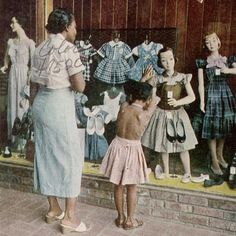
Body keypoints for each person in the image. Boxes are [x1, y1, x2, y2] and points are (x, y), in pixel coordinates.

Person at [30, 8, 90, 234]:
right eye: (74, 26)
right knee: (71, 158)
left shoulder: (39, 48)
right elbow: (79, 86)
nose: (75, 30)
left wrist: (33, 110)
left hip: (40, 105)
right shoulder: (69, 49)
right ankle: (70, 218)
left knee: (45, 154)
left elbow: (33, 85)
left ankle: (54, 209)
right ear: (66, 27)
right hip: (59, 105)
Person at [100, 79, 158, 230]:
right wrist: (152, 86)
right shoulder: (144, 114)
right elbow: (154, 99)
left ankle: (120, 217)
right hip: (132, 149)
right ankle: (130, 220)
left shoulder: (124, 107)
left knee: (118, 185)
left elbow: (132, 96)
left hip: (117, 146)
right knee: (132, 187)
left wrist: (143, 81)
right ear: (147, 100)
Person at [141, 47, 198, 183]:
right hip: (161, 114)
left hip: (178, 114)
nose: (168, 63)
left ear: (175, 59)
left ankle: (187, 172)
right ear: (160, 63)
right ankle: (165, 171)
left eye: (170, 59)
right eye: (164, 60)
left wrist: (178, 101)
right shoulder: (157, 79)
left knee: (183, 144)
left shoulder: (183, 77)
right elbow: (150, 96)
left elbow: (192, 97)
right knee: (163, 144)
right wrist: (144, 80)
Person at [194, 32, 236, 175]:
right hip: (211, 94)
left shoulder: (227, 59)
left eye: (213, 41)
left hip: (224, 94)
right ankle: (213, 160)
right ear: (205, 45)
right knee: (212, 129)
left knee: (223, 127)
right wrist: (202, 101)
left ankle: (220, 155)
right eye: (208, 42)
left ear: (218, 42)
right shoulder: (203, 62)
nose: (211, 44)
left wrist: (228, 70)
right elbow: (200, 84)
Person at [0, 15, 35, 146]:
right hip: (12, 75)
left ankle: (22, 141)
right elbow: (6, 59)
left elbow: (33, 66)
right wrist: (4, 66)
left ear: (21, 24)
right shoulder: (10, 42)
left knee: (22, 105)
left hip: (23, 75)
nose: (11, 25)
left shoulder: (29, 43)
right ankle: (13, 139)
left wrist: (28, 82)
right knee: (12, 104)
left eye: (13, 22)